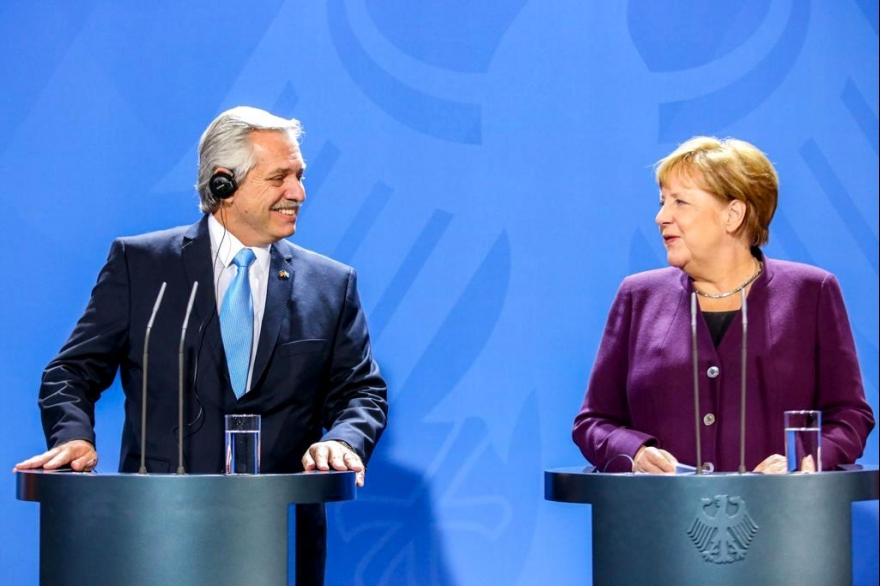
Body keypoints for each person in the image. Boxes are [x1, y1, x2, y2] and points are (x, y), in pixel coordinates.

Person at [14, 106, 388, 584]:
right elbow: (70, 372)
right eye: (279, 177)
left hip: (277, 542)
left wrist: (343, 440)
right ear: (222, 184)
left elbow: (362, 392)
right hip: (157, 532)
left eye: (299, 175)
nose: (298, 193)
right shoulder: (142, 265)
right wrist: (74, 437)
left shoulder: (330, 284)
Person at [572, 136, 874, 474]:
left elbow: (850, 416)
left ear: (733, 215)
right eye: (661, 202)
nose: (661, 217)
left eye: (680, 203)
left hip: (782, 519)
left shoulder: (812, 292)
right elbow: (594, 422)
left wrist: (806, 460)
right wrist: (636, 452)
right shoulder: (637, 296)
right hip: (659, 519)